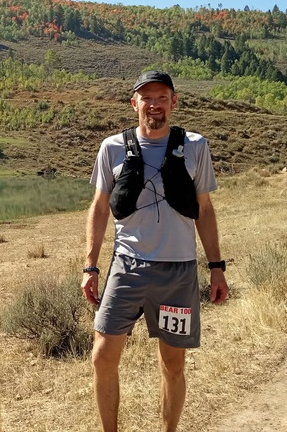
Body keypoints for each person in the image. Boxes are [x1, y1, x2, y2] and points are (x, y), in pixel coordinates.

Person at [81, 70, 229, 432]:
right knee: (102, 357)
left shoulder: (195, 146)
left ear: (174, 102)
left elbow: (205, 210)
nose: (154, 104)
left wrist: (216, 266)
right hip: (127, 268)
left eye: (162, 97)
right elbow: (99, 208)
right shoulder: (112, 147)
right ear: (134, 104)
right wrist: (90, 265)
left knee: (172, 364)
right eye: (146, 98)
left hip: (178, 273)